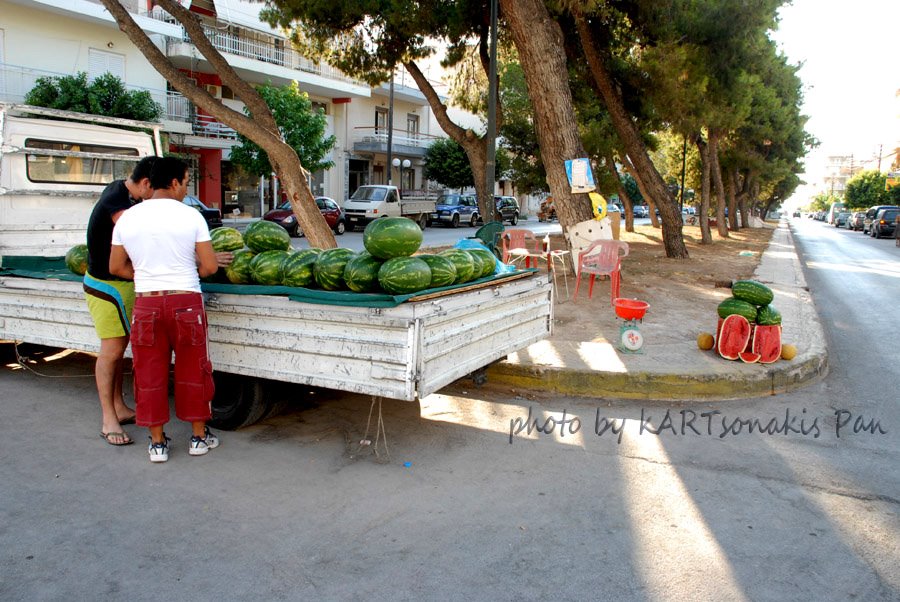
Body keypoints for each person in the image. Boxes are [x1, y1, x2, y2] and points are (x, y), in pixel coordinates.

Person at [109, 157, 231, 463]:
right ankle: (199, 438)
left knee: (148, 373)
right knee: (194, 370)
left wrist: (148, 275)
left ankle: (158, 443)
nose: (185, 188)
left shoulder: (128, 218)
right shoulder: (191, 217)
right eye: (187, 182)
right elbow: (210, 266)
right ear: (174, 182)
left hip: (147, 303)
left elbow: (116, 267)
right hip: (185, 302)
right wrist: (189, 267)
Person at [84, 156, 157, 446]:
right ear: (146, 184)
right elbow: (132, 235)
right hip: (107, 286)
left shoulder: (123, 191)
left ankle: (119, 407)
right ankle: (108, 419)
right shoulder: (118, 202)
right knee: (111, 352)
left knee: (119, 349)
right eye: (156, 190)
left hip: (120, 284)